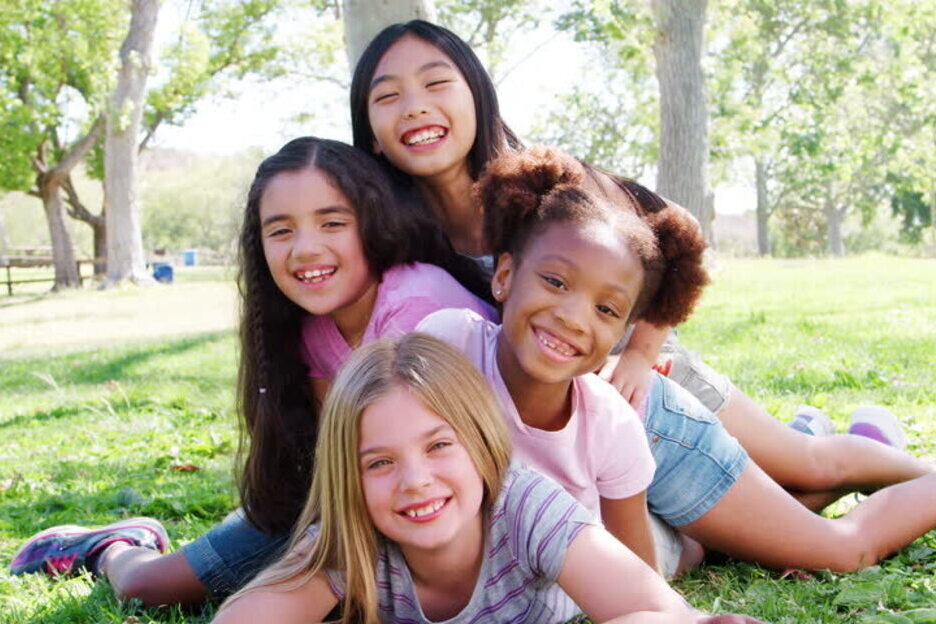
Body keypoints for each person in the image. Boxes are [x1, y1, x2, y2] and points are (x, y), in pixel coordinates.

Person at [349, 18, 933, 519]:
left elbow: (678, 231)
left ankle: (904, 464)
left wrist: (638, 355)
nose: (416, 106)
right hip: (582, 417)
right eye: (388, 96)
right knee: (753, 510)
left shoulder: (551, 186)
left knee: (806, 467)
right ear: (371, 136)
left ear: (476, 95)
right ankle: (824, 434)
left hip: (653, 381)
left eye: (435, 83)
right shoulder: (403, 246)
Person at [10, 137, 495, 607]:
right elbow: (335, 462)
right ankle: (115, 545)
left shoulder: (421, 305)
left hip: (441, 511)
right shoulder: (311, 328)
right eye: (281, 230)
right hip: (351, 511)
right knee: (149, 587)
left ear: (373, 222)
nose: (304, 248)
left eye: (332, 223)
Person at [413, 145, 936, 574]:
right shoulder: (447, 347)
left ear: (622, 328)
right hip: (610, 482)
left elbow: (638, 591)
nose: (574, 317)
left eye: (605, 309)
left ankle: (919, 474)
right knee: (738, 536)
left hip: (658, 430)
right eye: (555, 282)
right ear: (503, 276)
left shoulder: (609, 419)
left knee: (839, 547)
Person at [212, 333, 768, 624]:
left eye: (438, 446)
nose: (415, 481)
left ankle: (755, 487)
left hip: (619, 535)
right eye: (379, 462)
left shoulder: (525, 507)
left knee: (693, 545)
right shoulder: (351, 539)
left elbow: (654, 608)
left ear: (479, 444)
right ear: (348, 479)